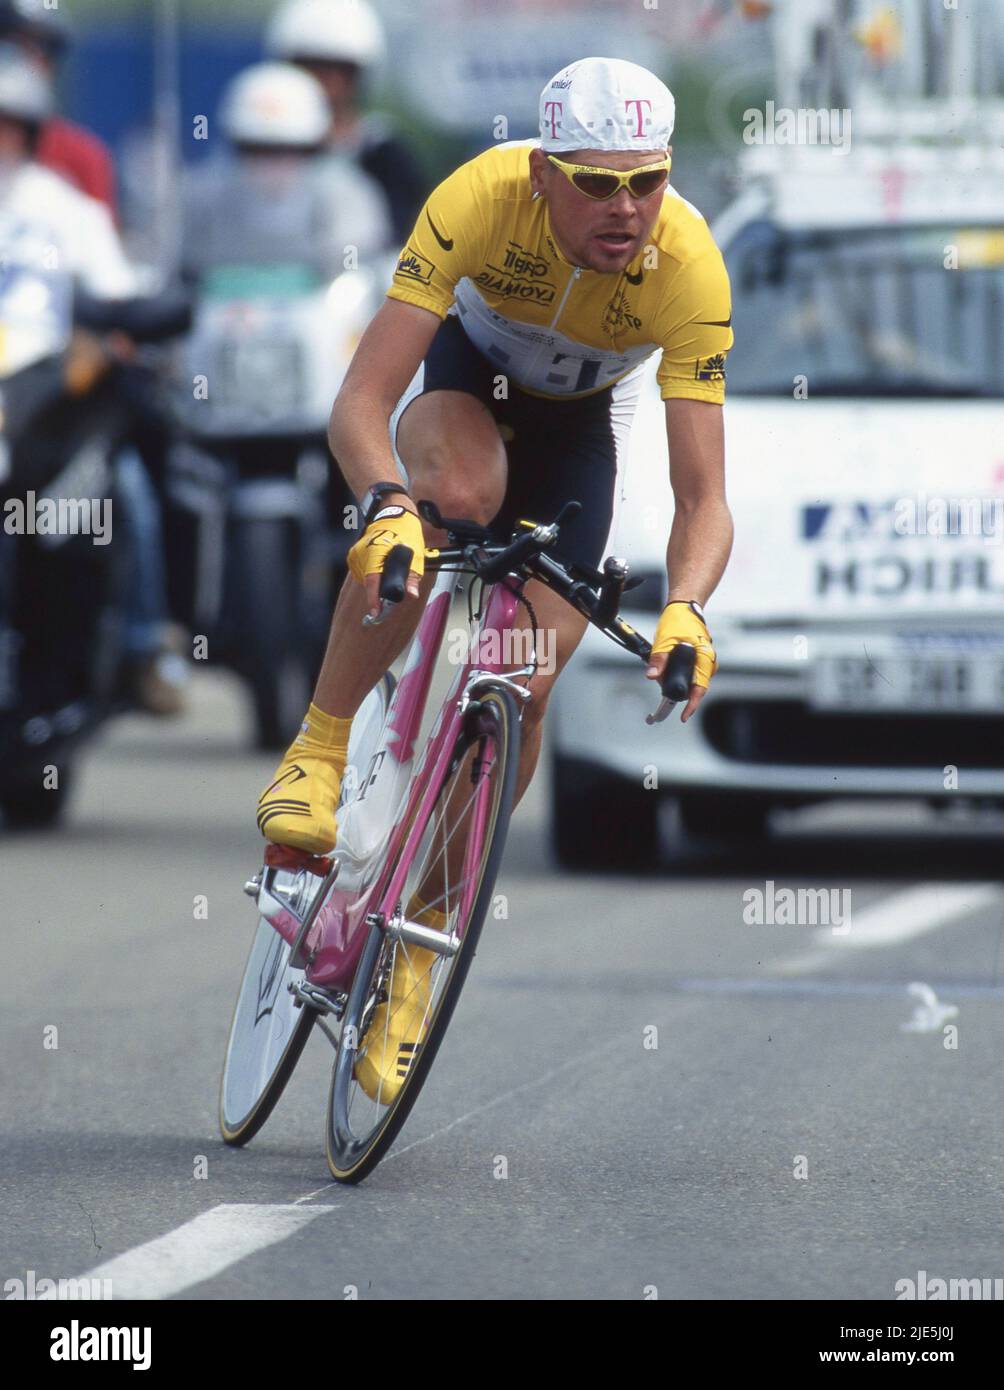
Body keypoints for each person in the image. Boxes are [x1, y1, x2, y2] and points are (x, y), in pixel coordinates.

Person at [258, 56, 734, 1100]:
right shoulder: (478, 196)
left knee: (522, 678)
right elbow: (359, 400)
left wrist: (689, 610)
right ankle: (321, 748)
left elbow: (702, 499)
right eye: (596, 181)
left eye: (644, 181)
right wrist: (386, 507)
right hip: (465, 389)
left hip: (577, 439)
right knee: (452, 502)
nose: (625, 208)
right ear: (542, 176)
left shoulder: (689, 263)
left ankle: (415, 955)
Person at [181, 61, 391, 283]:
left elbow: (359, 268)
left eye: (289, 150)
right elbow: (181, 267)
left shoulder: (346, 193)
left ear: (314, 148)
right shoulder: (201, 196)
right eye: (256, 150)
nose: (272, 165)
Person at [264, 0, 425, 244]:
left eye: (337, 69)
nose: (322, 81)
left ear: (359, 76)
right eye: (309, 66)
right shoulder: (263, 147)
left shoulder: (384, 156)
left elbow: (407, 240)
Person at [0, 0, 116, 215]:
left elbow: (93, 242)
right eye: (13, 43)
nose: (26, 60)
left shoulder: (82, 157)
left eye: (40, 48)